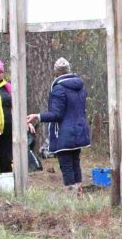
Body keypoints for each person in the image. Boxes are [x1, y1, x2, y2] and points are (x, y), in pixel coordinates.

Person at [27, 58, 90, 193]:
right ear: (69, 70)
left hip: (64, 133)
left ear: (56, 72)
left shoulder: (59, 89)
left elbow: (56, 115)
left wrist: (37, 116)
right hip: (80, 129)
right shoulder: (80, 87)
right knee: (75, 162)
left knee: (66, 164)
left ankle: (71, 194)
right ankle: (79, 191)